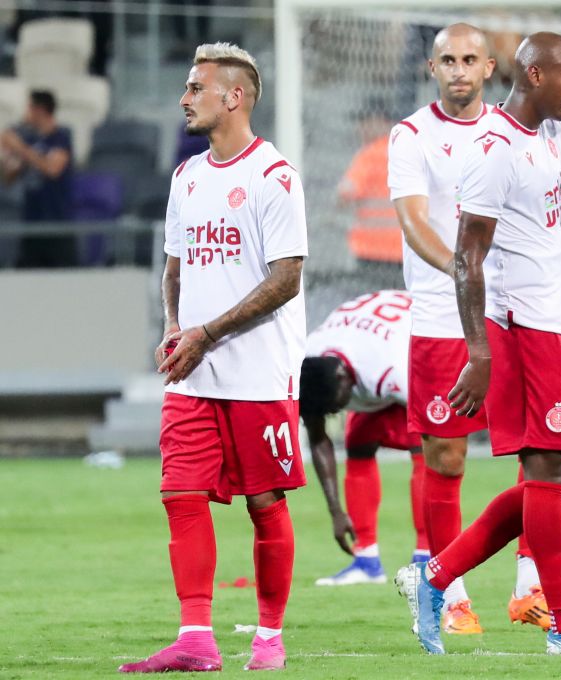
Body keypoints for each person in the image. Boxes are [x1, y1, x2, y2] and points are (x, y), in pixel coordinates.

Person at [395, 32, 561, 655]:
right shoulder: (496, 151)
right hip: (522, 330)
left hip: (558, 326)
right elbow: (466, 258)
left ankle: (433, 576)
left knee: (555, 482)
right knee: (548, 475)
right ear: (535, 75)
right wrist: (480, 353)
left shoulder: (554, 134)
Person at [118, 42, 308, 673]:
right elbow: (174, 267)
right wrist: (176, 327)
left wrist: (209, 332)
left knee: (264, 504)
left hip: (259, 373)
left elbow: (286, 279)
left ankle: (269, 639)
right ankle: (195, 639)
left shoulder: (274, 177)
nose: (184, 98)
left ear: (235, 96)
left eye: (196, 88)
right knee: (180, 494)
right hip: (193, 373)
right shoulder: (187, 177)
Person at [388, 22, 549, 636]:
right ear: (432, 69)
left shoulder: (513, 132)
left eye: (469, 59)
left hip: (513, 309)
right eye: (448, 60)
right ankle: (449, 594)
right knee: (447, 456)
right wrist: (462, 270)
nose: (459, 69)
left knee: (540, 450)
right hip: (440, 311)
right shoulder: (411, 135)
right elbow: (414, 223)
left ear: (489, 68)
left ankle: (529, 586)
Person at [300, 290, 429, 586]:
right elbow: (318, 438)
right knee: (357, 441)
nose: (336, 413)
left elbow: (438, 437)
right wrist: (335, 511)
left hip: (414, 346)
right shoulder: (308, 361)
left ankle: (425, 558)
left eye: (337, 406)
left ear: (344, 378)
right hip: (370, 341)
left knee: (423, 448)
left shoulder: (391, 369)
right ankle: (367, 562)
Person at [0, 90, 76, 267]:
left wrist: (19, 147)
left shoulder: (60, 137)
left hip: (57, 223)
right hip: (31, 223)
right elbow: (9, 177)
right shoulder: (30, 140)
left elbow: (53, 169)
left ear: (40, 110)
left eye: (29, 107)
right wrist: (6, 154)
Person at [339, 103, 403, 267]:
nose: (360, 128)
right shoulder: (405, 150)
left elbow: (346, 192)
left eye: (365, 122)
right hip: (404, 248)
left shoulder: (370, 154)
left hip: (371, 248)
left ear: (381, 122)